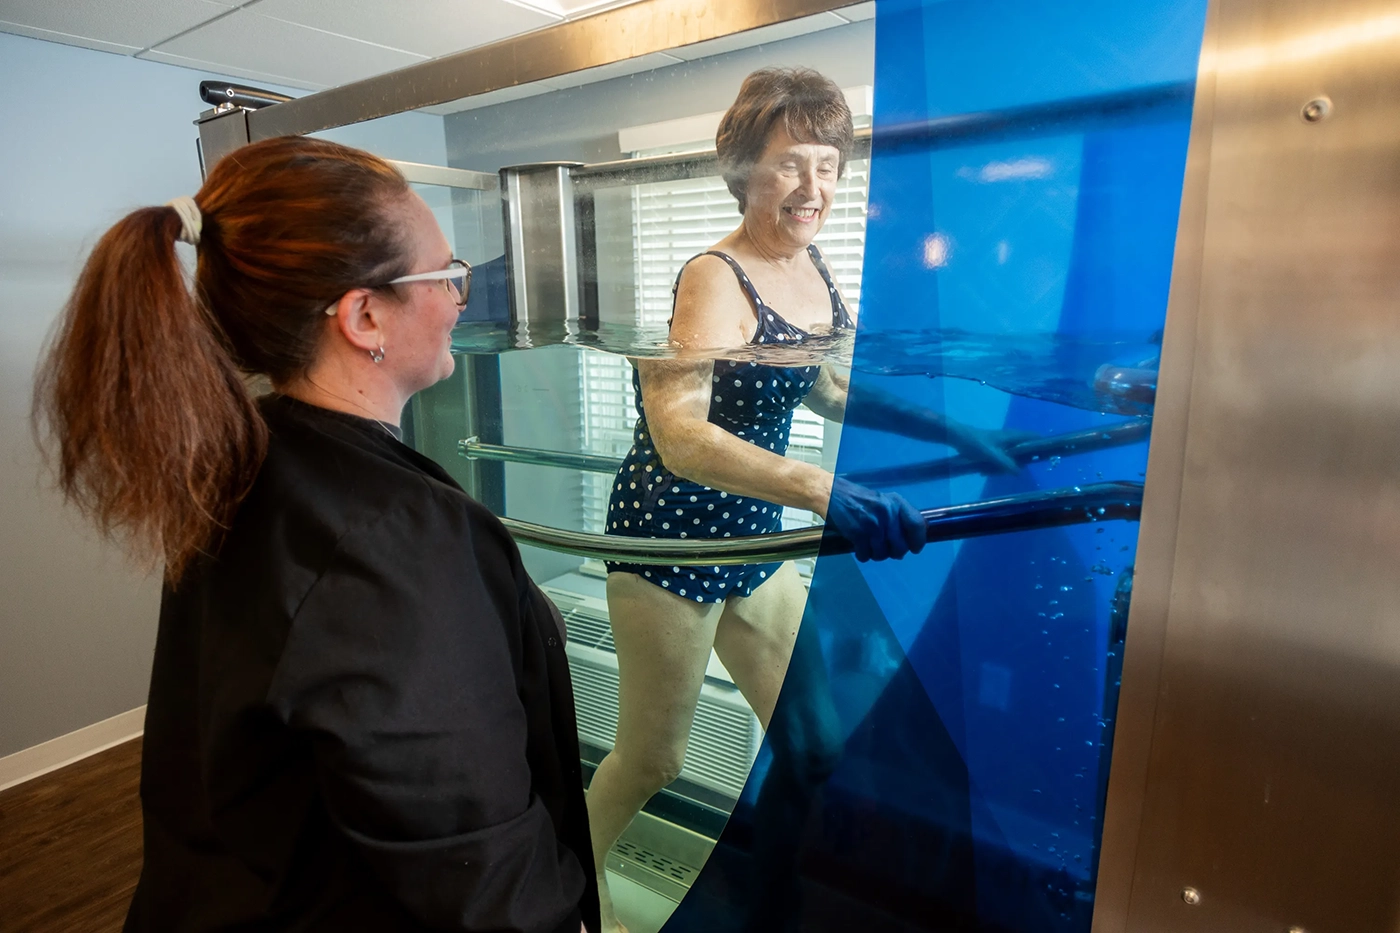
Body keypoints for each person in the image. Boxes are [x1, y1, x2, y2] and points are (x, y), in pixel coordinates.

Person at [33, 136, 599, 933]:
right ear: (365, 314)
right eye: (447, 276)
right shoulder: (394, 536)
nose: (460, 298)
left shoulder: (244, 457)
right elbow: (473, 857)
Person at [588, 67, 1020, 932]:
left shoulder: (815, 265)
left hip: (753, 538)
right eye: (790, 164)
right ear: (745, 168)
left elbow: (822, 389)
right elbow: (681, 434)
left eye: (827, 164)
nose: (813, 187)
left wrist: (954, 433)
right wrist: (830, 490)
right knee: (654, 759)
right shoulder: (715, 275)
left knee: (816, 743)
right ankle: (568, 877)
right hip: (672, 543)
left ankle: (768, 908)